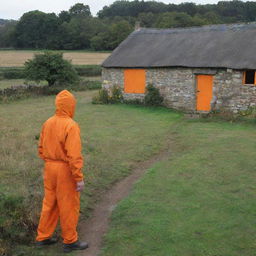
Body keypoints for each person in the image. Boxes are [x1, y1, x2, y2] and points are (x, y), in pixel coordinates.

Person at [35, 90, 88, 253]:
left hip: (49, 168)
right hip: (65, 170)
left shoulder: (48, 122)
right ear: (71, 105)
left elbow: (41, 148)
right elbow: (74, 155)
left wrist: (50, 161)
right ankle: (70, 241)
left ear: (57, 105)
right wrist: (78, 178)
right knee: (68, 205)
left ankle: (43, 237)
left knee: (49, 203)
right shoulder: (71, 125)